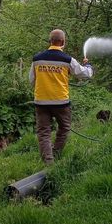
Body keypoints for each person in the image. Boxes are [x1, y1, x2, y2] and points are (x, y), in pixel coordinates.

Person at [29, 29, 94, 164]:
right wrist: (88, 65)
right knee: (64, 128)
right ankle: (56, 154)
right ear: (63, 42)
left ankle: (48, 161)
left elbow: (31, 80)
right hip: (61, 103)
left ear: (50, 41)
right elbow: (86, 74)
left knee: (43, 133)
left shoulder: (37, 59)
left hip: (41, 102)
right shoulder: (67, 60)